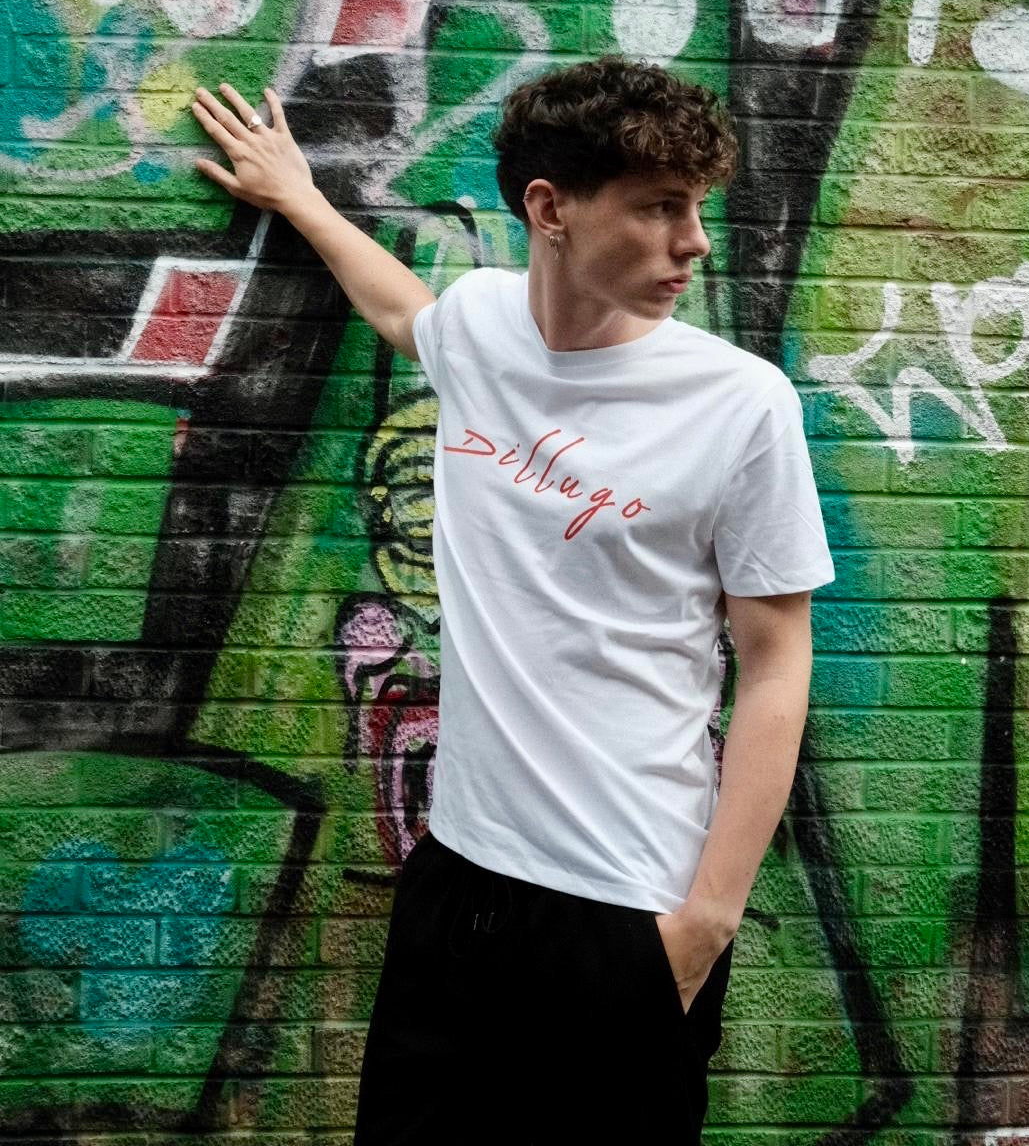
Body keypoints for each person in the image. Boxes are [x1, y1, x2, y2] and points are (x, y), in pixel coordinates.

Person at [191, 57, 835, 1146]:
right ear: (550, 209)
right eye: (659, 207)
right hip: (455, 880)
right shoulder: (482, 326)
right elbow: (404, 310)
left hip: (625, 904)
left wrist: (703, 924)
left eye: (698, 208)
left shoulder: (739, 405)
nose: (695, 242)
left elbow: (776, 664)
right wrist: (298, 196)